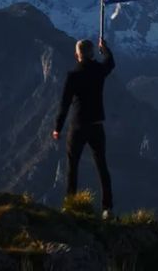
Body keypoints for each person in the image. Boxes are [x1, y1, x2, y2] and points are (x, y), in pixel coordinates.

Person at [52, 38, 115, 219]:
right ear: (92, 53)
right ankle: (107, 208)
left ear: (76, 55)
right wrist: (106, 49)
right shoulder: (99, 71)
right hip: (96, 125)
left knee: (73, 165)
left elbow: (64, 104)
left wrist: (58, 127)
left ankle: (71, 205)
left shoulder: (73, 75)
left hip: (78, 125)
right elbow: (110, 64)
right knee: (102, 165)